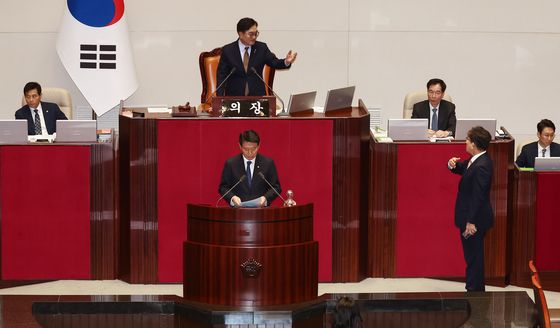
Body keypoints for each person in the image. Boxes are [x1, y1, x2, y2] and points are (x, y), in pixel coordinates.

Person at [448, 126, 493, 292]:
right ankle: (473, 289)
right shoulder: (476, 160)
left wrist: (471, 222)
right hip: (470, 218)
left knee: (474, 258)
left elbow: (478, 196)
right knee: (472, 257)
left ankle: (475, 292)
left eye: (467, 139)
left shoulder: (482, 165)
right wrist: (452, 165)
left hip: (474, 221)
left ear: (474, 144)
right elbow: (464, 169)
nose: (465, 142)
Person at [216, 17, 297, 97]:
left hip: (257, 98)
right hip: (234, 98)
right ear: (240, 34)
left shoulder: (261, 48)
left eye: (256, 33)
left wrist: (286, 61)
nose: (254, 37)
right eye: (251, 34)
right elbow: (221, 76)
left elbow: (274, 62)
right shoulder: (228, 50)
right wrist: (219, 100)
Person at [218, 130, 281, 207]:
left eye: (254, 149)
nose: (250, 152)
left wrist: (265, 198)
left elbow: (276, 188)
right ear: (240, 146)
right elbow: (223, 187)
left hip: (262, 212)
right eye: (246, 149)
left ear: (258, 146)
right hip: (237, 212)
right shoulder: (231, 163)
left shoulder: (267, 163)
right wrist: (232, 197)